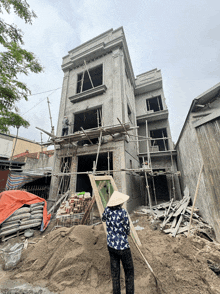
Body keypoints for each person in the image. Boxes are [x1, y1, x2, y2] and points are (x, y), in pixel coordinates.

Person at [102, 191, 134, 294]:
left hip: (111, 246)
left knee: (115, 274)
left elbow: (103, 219)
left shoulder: (107, 210)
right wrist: (127, 232)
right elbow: (127, 229)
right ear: (119, 203)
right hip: (123, 247)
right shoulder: (123, 212)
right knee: (129, 272)